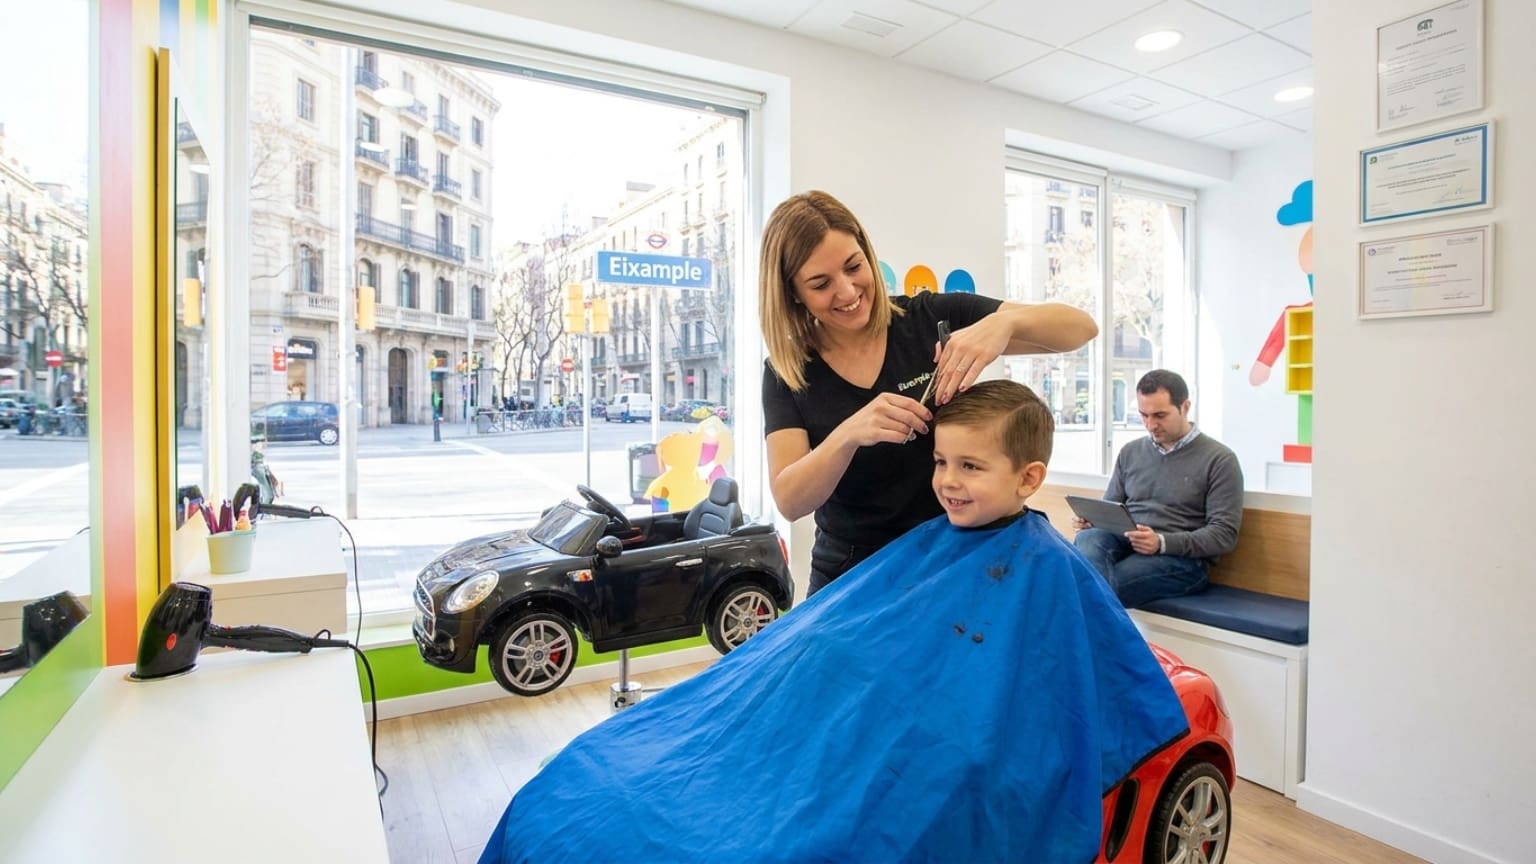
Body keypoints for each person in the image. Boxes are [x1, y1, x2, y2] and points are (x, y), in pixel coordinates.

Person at [479, 380, 1190, 863]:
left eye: (970, 466)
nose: (946, 481)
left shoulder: (1049, 572)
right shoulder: (924, 546)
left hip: (918, 753)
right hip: (818, 725)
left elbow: (1083, 680)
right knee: (591, 775)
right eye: (941, 461)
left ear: (1028, 478)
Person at [760, 190, 1098, 595]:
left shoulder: (931, 318)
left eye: (854, 267)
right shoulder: (788, 371)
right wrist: (849, 434)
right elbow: (791, 500)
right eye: (821, 284)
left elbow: (1080, 328)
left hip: (955, 558)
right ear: (793, 292)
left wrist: (1005, 324)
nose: (848, 292)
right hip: (854, 577)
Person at [1073, 369, 1244, 608]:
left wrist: (1162, 542)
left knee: (1088, 586)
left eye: (1160, 415)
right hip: (1127, 543)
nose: (1151, 424)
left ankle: (1081, 638)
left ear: (1185, 407)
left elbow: (1224, 535)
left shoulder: (1219, 459)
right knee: (1090, 538)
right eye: (1144, 415)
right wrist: (1094, 520)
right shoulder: (1131, 452)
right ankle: (1094, 638)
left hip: (1180, 560)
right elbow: (1111, 507)